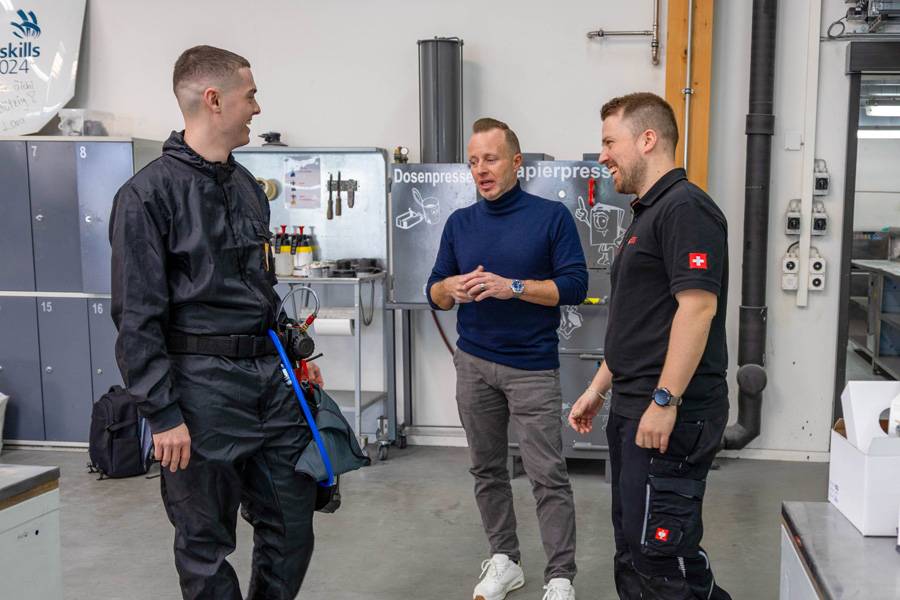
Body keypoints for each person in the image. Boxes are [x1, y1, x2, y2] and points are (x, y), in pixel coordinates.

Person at [110, 45, 322, 600]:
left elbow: (262, 286)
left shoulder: (249, 188)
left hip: (267, 384)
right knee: (205, 544)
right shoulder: (146, 196)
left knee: (293, 524)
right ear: (214, 99)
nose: (256, 107)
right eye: (249, 95)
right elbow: (136, 319)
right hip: (199, 390)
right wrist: (162, 413)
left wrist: (295, 360)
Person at [568, 92, 731, 599]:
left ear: (647, 139)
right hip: (634, 405)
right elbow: (642, 321)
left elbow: (697, 309)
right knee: (636, 547)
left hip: (668, 413)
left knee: (661, 555)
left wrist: (665, 400)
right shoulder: (648, 213)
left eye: (609, 142)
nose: (602, 155)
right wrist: (598, 387)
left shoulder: (686, 209)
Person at [427, 118, 588, 600]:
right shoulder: (460, 223)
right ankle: (504, 561)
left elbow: (575, 286)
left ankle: (560, 578)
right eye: (473, 161)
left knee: (547, 475)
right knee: (486, 469)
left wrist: (512, 287)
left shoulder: (550, 218)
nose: (481, 169)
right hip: (473, 365)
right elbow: (433, 290)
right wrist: (448, 289)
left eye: (491, 159)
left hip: (532, 368)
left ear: (516, 162)